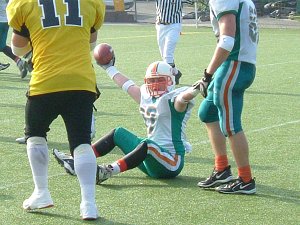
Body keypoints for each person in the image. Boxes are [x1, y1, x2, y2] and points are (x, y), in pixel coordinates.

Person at [7, 0, 105, 220]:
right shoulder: (91, 2)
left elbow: (17, 47)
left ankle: (41, 192)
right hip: (81, 80)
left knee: (35, 135)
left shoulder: (25, 3)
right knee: (81, 142)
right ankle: (89, 204)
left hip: (46, 79)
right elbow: (90, 42)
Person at [53, 58, 202, 183]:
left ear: (170, 81)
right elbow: (126, 85)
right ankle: (77, 160)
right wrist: (109, 68)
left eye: (159, 80)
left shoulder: (174, 100)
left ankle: (108, 171)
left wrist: (197, 88)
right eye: (152, 81)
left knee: (148, 144)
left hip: (171, 163)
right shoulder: (146, 96)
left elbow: (184, 97)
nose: (155, 84)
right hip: (149, 159)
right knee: (118, 133)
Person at [196, 0, 259, 194]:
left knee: (231, 125)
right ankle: (222, 168)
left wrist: (207, 74)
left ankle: (245, 179)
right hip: (238, 63)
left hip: (235, 64)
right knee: (207, 112)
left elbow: (227, 40)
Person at [155, 0, 194, 85]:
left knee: (167, 54)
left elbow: (191, 1)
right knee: (164, 56)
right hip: (160, 25)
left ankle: (169, 80)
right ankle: (176, 73)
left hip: (174, 25)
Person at [0, 0, 28, 77]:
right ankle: (19, 62)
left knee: (1, 46)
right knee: (1, 45)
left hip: (1, 20)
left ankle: (21, 62)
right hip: (6, 19)